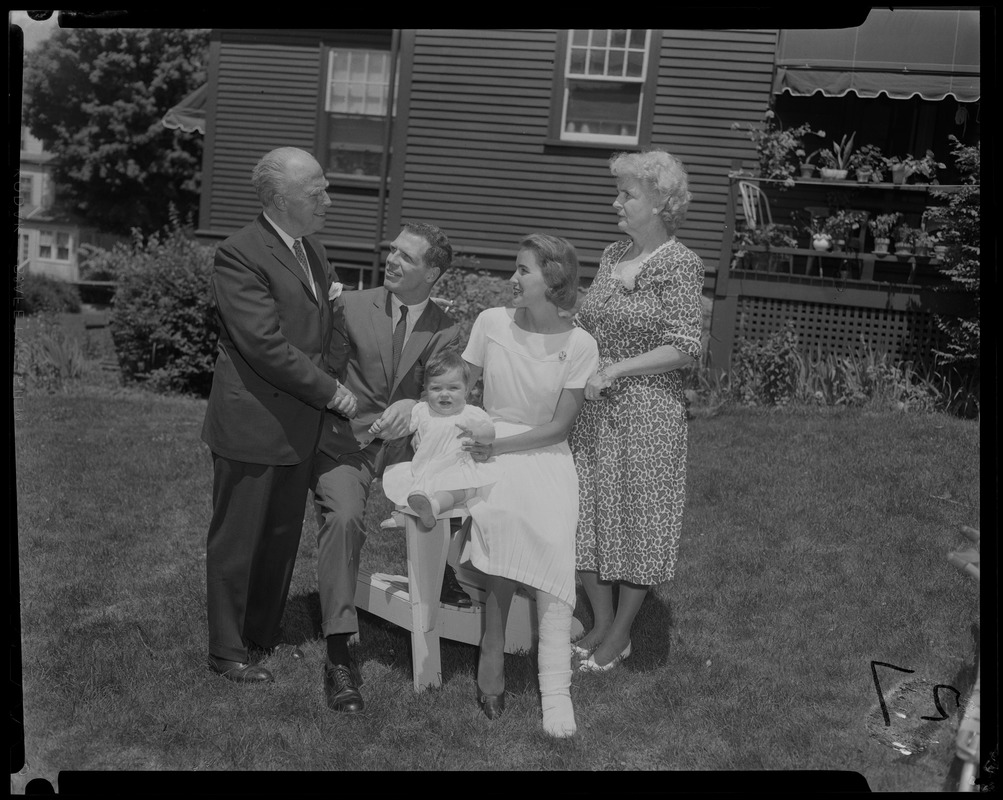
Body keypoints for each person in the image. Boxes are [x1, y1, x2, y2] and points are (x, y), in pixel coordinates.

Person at [201, 147, 357, 684]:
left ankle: (260, 635)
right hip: (254, 423)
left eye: (325, 189)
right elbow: (263, 345)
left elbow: (333, 323)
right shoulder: (239, 253)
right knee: (238, 540)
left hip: (299, 422)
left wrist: (330, 376)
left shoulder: (312, 250)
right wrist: (332, 392)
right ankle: (226, 649)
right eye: (315, 193)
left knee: (280, 535)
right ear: (277, 198)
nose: (327, 201)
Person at [312, 221, 462, 714]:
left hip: (410, 450)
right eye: (391, 251)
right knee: (344, 520)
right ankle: (338, 654)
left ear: (433, 272)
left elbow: (446, 390)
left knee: (450, 498)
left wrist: (416, 405)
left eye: (406, 257)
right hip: (346, 441)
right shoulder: (350, 306)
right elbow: (324, 371)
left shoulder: (446, 328)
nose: (391, 261)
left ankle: (451, 584)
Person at [568, 148, 704, 673]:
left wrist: (618, 369)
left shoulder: (680, 264)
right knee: (587, 517)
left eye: (627, 193)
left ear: (661, 203)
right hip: (595, 411)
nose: (616, 201)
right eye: (618, 190)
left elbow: (684, 346)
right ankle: (602, 624)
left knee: (637, 523)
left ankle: (620, 634)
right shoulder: (610, 257)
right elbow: (587, 324)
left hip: (647, 414)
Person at [459, 232, 599, 738]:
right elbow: (462, 390)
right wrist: (470, 436)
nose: (511, 279)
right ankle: (491, 650)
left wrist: (498, 446)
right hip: (489, 443)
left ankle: (555, 689)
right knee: (502, 517)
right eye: (514, 269)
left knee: (556, 535)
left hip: (544, 452)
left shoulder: (581, 343)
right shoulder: (490, 323)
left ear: (553, 280)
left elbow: (560, 428)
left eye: (522, 271)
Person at [382, 348, 502, 529]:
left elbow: (490, 435)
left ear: (466, 390)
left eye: (453, 388)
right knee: (412, 487)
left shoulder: (470, 413)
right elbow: (403, 427)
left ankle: (433, 508)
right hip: (427, 469)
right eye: (436, 388)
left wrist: (476, 433)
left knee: (450, 492)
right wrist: (384, 426)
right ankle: (406, 515)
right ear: (426, 390)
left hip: (458, 471)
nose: (444, 394)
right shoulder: (423, 411)